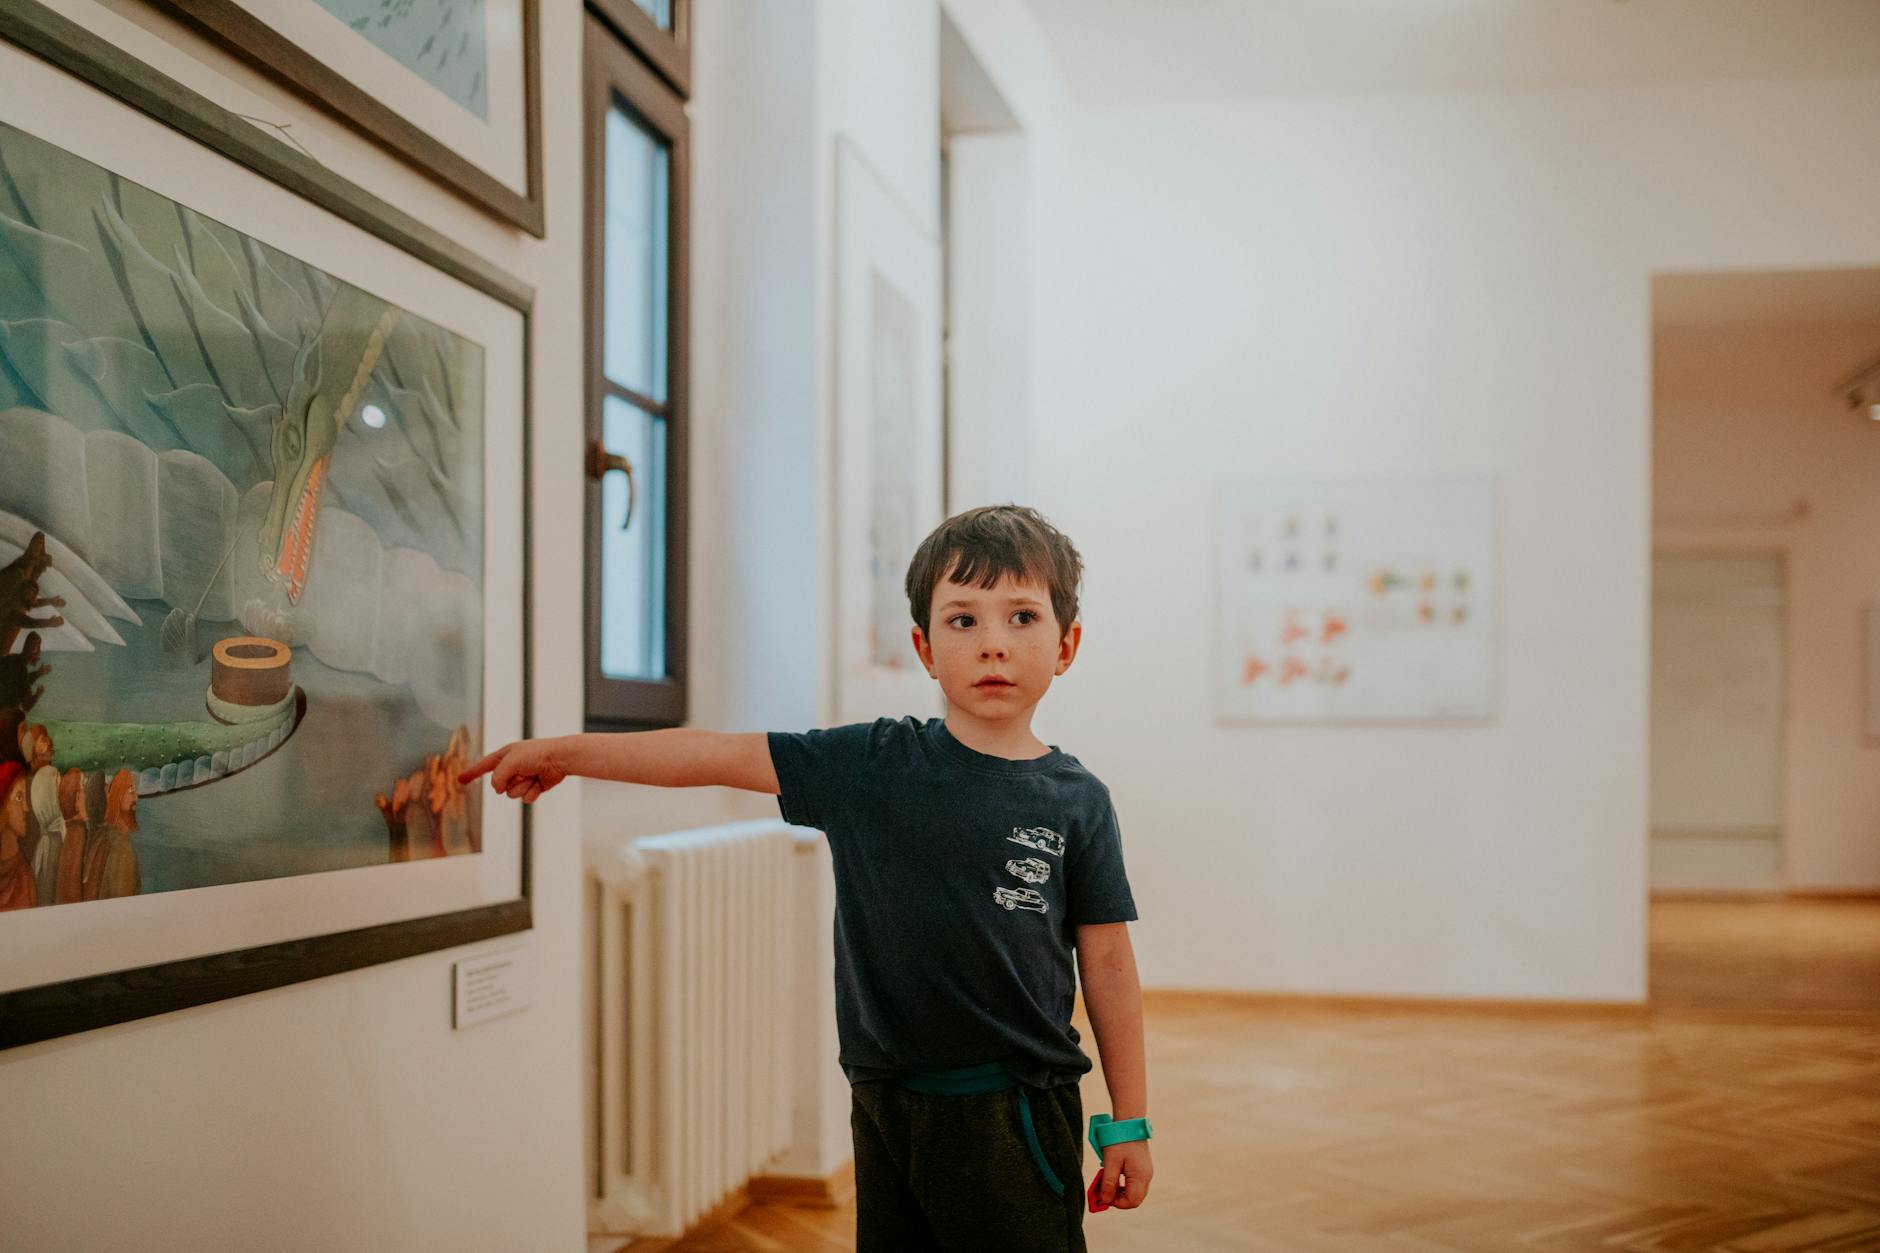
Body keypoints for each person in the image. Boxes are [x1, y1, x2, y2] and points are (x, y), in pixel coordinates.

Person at [463, 505, 1152, 1251]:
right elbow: (714, 754)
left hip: (1012, 1110)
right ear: (924, 646)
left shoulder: (1078, 800)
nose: (992, 644)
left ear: (1066, 644)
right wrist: (565, 753)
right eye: (962, 621)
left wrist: (1129, 1119)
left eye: (1021, 616)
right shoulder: (868, 766)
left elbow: (1108, 961)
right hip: (885, 1098)